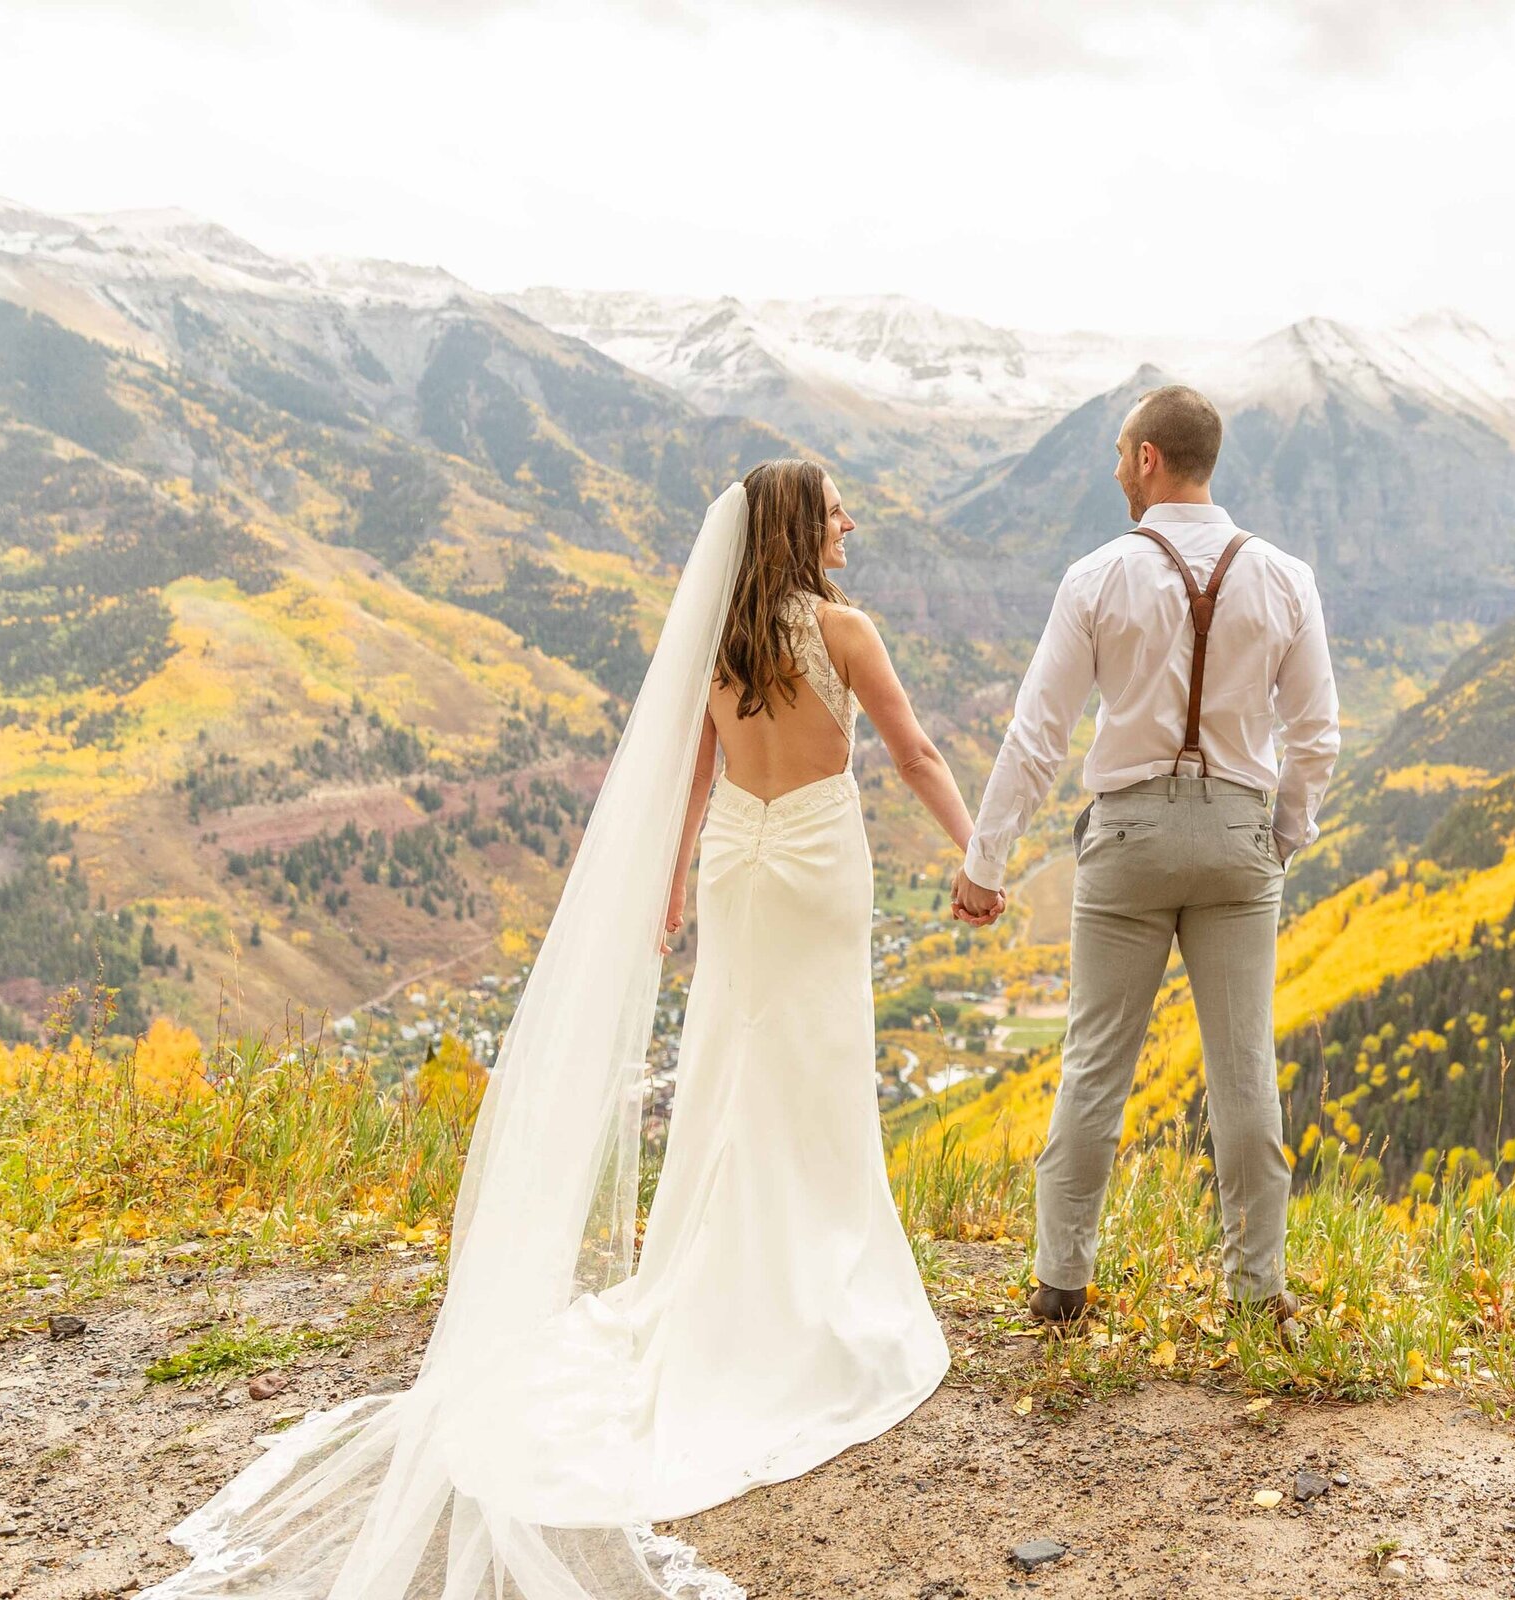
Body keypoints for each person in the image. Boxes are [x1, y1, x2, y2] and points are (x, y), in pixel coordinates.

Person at [141, 461, 991, 1600]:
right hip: (820, 865)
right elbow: (917, 751)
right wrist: (976, 854)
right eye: (837, 506)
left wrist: (678, 879)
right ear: (800, 524)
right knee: (815, 1066)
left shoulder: (726, 641)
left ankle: (715, 1265)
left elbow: (693, 775)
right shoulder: (843, 631)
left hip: (744, 863)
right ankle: (814, 1280)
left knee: (731, 1067)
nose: (852, 520)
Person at [953, 384, 1341, 1328]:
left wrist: (986, 862)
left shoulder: (1096, 577)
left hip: (1127, 837)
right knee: (1243, 1070)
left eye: (1122, 454)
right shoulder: (1285, 577)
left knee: (1095, 1063)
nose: (1117, 469)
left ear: (1149, 460)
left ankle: (1060, 1282)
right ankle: (1257, 1288)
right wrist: (1277, 838)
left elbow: (1035, 736)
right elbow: (1317, 737)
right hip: (1240, 838)